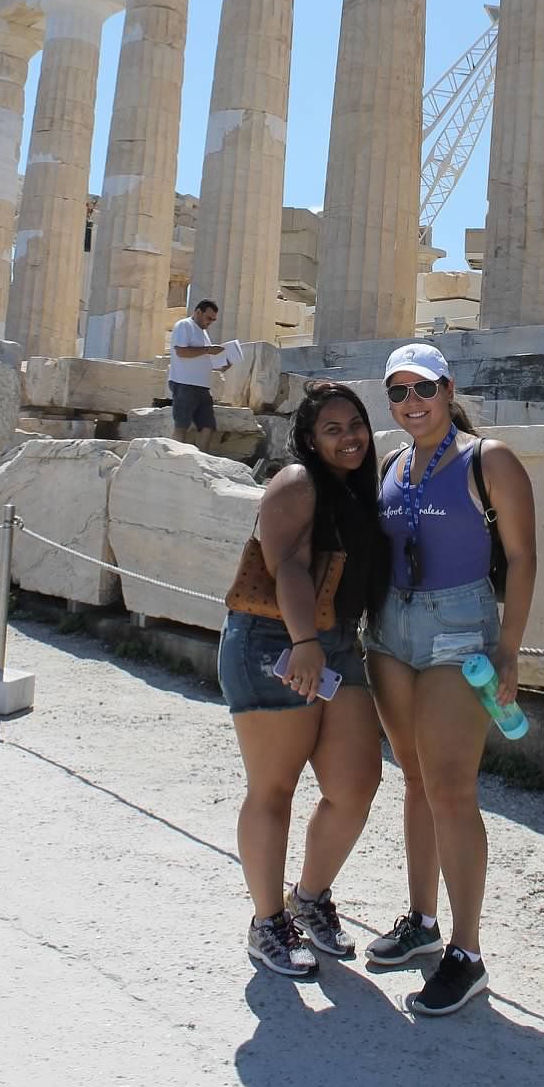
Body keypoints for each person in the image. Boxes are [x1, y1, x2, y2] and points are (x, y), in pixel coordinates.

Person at [364, 343, 536, 1016]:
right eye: (398, 393)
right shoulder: (391, 461)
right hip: (389, 630)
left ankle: (467, 953)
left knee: (452, 789)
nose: (412, 403)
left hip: (458, 628)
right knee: (413, 779)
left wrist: (512, 652)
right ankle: (423, 922)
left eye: (423, 389)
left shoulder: (489, 459)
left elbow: (522, 557)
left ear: (449, 387)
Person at [219, 381, 390, 977]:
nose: (350, 438)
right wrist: (304, 644)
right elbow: (285, 564)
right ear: (310, 440)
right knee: (274, 788)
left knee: (356, 783)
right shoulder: (297, 481)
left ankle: (309, 897)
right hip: (277, 639)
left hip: (335, 643)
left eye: (356, 425)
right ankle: (267, 923)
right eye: (333, 429)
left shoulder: (358, 491)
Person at [168, 299, 229, 445]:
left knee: (208, 426)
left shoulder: (203, 333)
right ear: (198, 312)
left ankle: (201, 461)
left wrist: (224, 364)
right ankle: (173, 459)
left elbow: (203, 358)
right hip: (184, 384)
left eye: (213, 320)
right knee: (182, 426)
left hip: (202, 386)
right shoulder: (184, 325)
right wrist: (208, 349)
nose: (210, 322)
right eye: (208, 318)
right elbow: (181, 352)